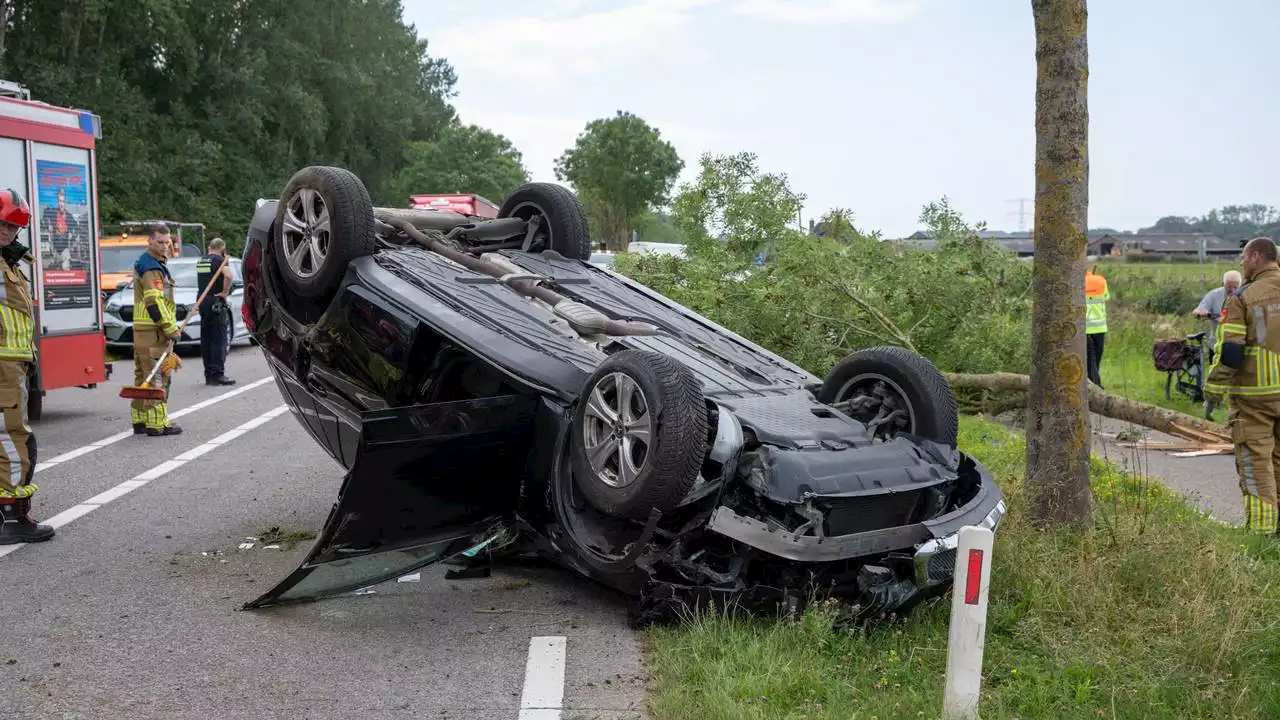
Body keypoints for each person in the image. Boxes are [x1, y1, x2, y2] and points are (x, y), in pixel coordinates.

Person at [1205, 237, 1280, 535]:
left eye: (1243, 257)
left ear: (1255, 257)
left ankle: (1261, 536)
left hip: (1255, 397)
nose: (1240, 262)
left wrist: (1212, 388)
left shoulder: (1243, 297)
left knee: (1256, 464)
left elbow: (1231, 354)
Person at [0, 189, 53, 544]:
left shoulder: (10, 263)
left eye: (12, 226)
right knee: (12, 438)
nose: (7, 231)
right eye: (2, 224)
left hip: (14, 363)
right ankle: (12, 516)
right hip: (3, 363)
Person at [130, 224, 183, 437]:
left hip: (143, 331)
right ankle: (158, 424)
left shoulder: (148, 263)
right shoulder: (151, 267)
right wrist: (170, 328)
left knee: (142, 375)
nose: (164, 246)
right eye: (159, 242)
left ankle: (140, 419)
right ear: (149, 241)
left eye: (167, 242)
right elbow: (154, 301)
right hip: (154, 332)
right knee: (158, 377)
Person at [196, 238, 235, 386]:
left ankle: (209, 374)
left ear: (209, 247)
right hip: (215, 301)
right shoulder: (219, 260)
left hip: (202, 301)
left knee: (207, 339)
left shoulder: (202, 261)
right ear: (222, 248)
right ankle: (218, 374)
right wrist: (225, 292)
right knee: (219, 339)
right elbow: (229, 276)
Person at [1194, 269, 1243, 354]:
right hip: (1216, 346)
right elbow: (1197, 312)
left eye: (1235, 287)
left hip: (1238, 345)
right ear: (1223, 284)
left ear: (1241, 285)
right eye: (1229, 287)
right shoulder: (1214, 295)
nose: (1232, 290)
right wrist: (1201, 313)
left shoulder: (1246, 296)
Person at [1084, 267, 1109, 387]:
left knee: (1088, 360)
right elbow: (1106, 297)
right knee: (1097, 360)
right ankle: (1096, 385)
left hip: (1084, 329)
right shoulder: (1101, 280)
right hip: (1100, 328)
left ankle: (1092, 385)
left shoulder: (1077, 282)